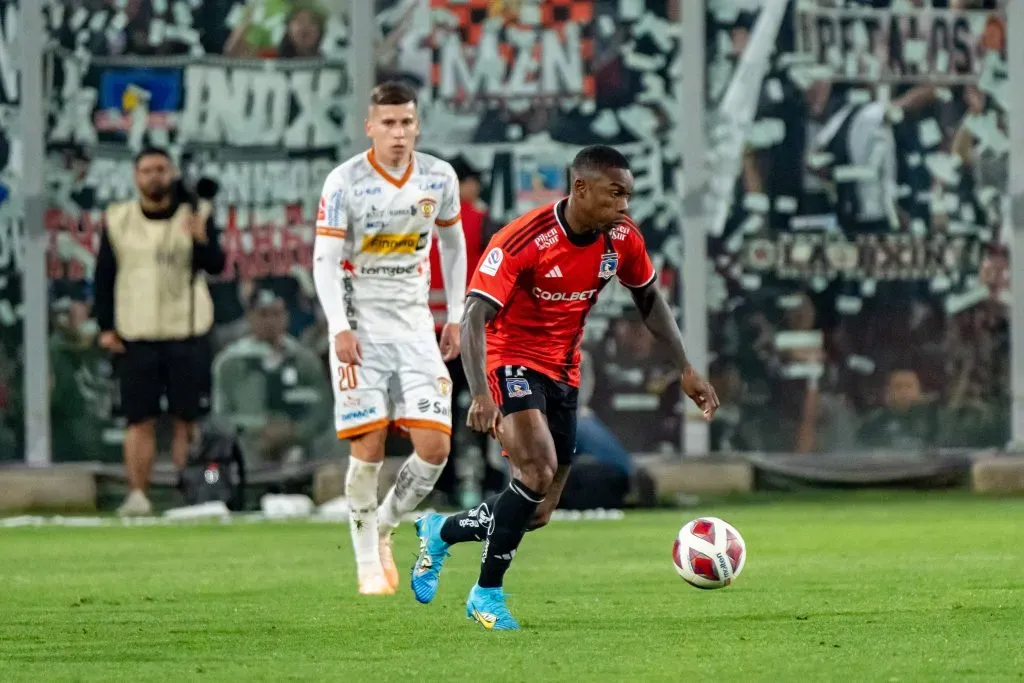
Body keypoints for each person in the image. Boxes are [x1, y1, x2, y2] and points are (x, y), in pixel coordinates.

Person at [410, 145, 719, 630]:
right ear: (580, 188)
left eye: (629, 195)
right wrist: (481, 394)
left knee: (535, 510)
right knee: (537, 468)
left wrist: (685, 366)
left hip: (563, 371)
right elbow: (474, 317)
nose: (624, 205)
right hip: (509, 358)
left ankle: (441, 530)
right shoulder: (523, 239)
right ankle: (485, 594)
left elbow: (649, 300)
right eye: (615, 193)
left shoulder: (621, 238)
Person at [312, 81, 468, 596]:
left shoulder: (438, 176)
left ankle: (385, 523)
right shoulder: (345, 182)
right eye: (388, 123)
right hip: (360, 328)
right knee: (369, 444)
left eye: (406, 123)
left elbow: (453, 242)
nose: (398, 133)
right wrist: (338, 326)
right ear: (370, 126)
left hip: (416, 327)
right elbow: (325, 261)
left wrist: (456, 314)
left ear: (417, 125)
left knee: (435, 448)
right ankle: (365, 567)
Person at [93, 147, 225, 516]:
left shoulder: (195, 213)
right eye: (147, 170)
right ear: (136, 177)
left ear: (172, 174)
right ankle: (138, 495)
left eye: (161, 170)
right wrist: (105, 326)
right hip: (137, 333)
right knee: (139, 419)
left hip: (186, 330)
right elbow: (104, 275)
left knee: (188, 419)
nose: (155, 177)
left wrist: (201, 237)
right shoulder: (119, 219)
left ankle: (193, 494)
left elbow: (216, 265)